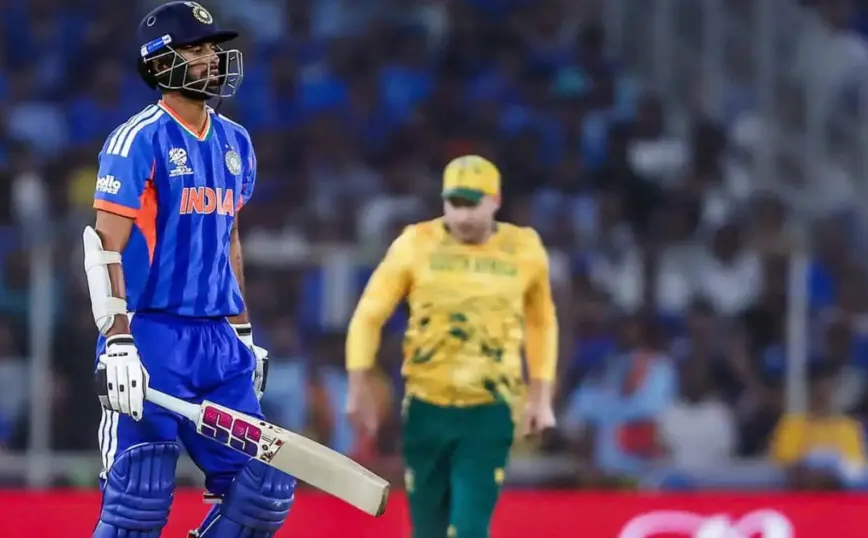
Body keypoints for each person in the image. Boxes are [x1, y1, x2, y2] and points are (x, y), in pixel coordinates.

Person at [84, 3, 294, 537]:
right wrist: (118, 341)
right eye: (196, 48)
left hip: (218, 342)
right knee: (139, 495)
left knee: (263, 487)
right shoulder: (138, 139)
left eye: (213, 48)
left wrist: (243, 333)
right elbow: (104, 247)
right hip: (150, 334)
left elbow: (229, 242)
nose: (213, 58)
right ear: (160, 62)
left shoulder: (236, 141)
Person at [345, 155, 559, 538]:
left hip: (489, 408)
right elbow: (368, 315)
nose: (462, 216)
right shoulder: (415, 244)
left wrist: (541, 396)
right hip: (426, 407)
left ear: (495, 201)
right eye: (454, 204)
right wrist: (358, 384)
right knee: (428, 529)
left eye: (472, 205)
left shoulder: (524, 249)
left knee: (469, 527)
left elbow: (541, 323)